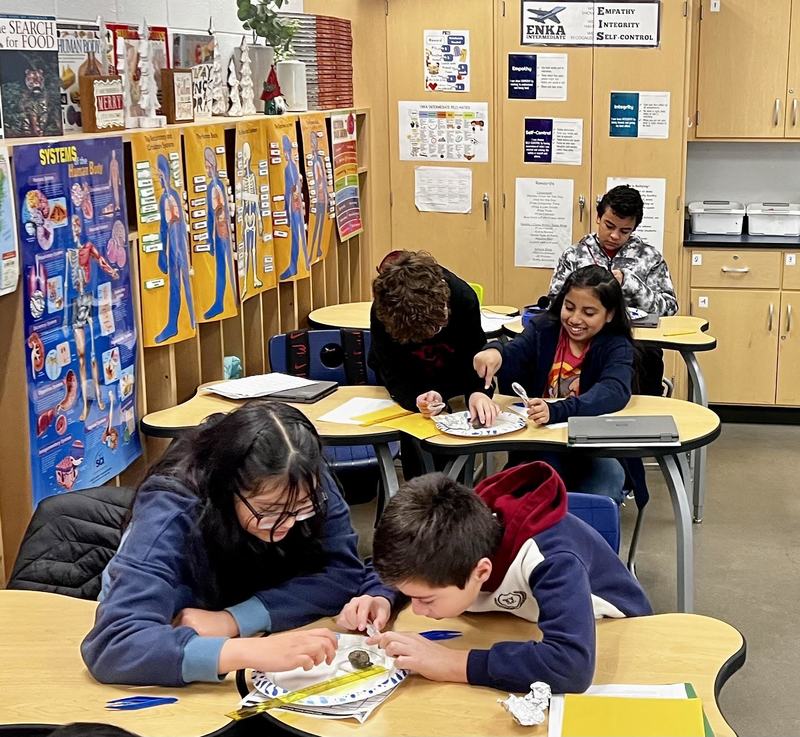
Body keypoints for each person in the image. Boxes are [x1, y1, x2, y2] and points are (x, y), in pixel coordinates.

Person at [81, 402, 396, 686]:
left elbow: (342, 573)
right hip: (180, 646)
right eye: (269, 511)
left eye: (301, 509)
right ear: (227, 488)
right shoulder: (171, 506)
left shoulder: (303, 481)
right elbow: (115, 644)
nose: (286, 524)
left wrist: (234, 620)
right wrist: (243, 651)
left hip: (248, 638)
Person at [337, 467, 651, 694]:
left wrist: (451, 664)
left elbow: (570, 666)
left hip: (609, 631)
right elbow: (403, 568)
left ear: (482, 572)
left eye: (426, 599)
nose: (417, 610)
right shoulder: (455, 541)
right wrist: (379, 595)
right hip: (519, 624)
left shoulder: (552, 558)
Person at [474, 265, 633, 503]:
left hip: (593, 448)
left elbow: (614, 390)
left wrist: (557, 410)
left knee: (603, 488)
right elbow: (513, 354)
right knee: (542, 483)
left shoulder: (616, 344)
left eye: (589, 313)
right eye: (569, 308)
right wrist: (494, 351)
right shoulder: (544, 329)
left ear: (609, 315)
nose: (575, 319)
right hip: (541, 444)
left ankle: (588, 535)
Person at [369, 250, 499, 478]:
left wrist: (478, 393)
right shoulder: (386, 310)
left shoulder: (462, 297)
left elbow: (476, 357)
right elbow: (389, 369)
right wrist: (415, 398)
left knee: (454, 457)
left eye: (438, 327)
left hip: (454, 380)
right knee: (418, 464)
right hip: (413, 387)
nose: (433, 334)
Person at [548, 185, 677, 396]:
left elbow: (669, 308)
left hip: (635, 342)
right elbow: (556, 302)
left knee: (647, 360)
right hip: (582, 340)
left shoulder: (649, 257)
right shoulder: (575, 254)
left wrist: (630, 282)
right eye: (609, 226)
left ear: (634, 228)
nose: (615, 235)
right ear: (598, 217)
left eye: (624, 231)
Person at [155, 154, 196, 344]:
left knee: (180, 286)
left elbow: (166, 228)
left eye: (159, 173)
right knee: (176, 287)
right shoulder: (172, 196)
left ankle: (188, 322)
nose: (157, 177)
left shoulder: (168, 197)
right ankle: (175, 323)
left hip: (176, 246)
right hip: (176, 246)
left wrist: (163, 254)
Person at [202, 146, 236, 320]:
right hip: (219, 233)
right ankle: (220, 301)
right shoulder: (215, 186)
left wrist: (211, 236)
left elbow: (214, 214)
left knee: (225, 266)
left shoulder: (215, 186)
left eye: (208, 166)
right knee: (222, 267)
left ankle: (227, 300)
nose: (207, 170)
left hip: (222, 233)